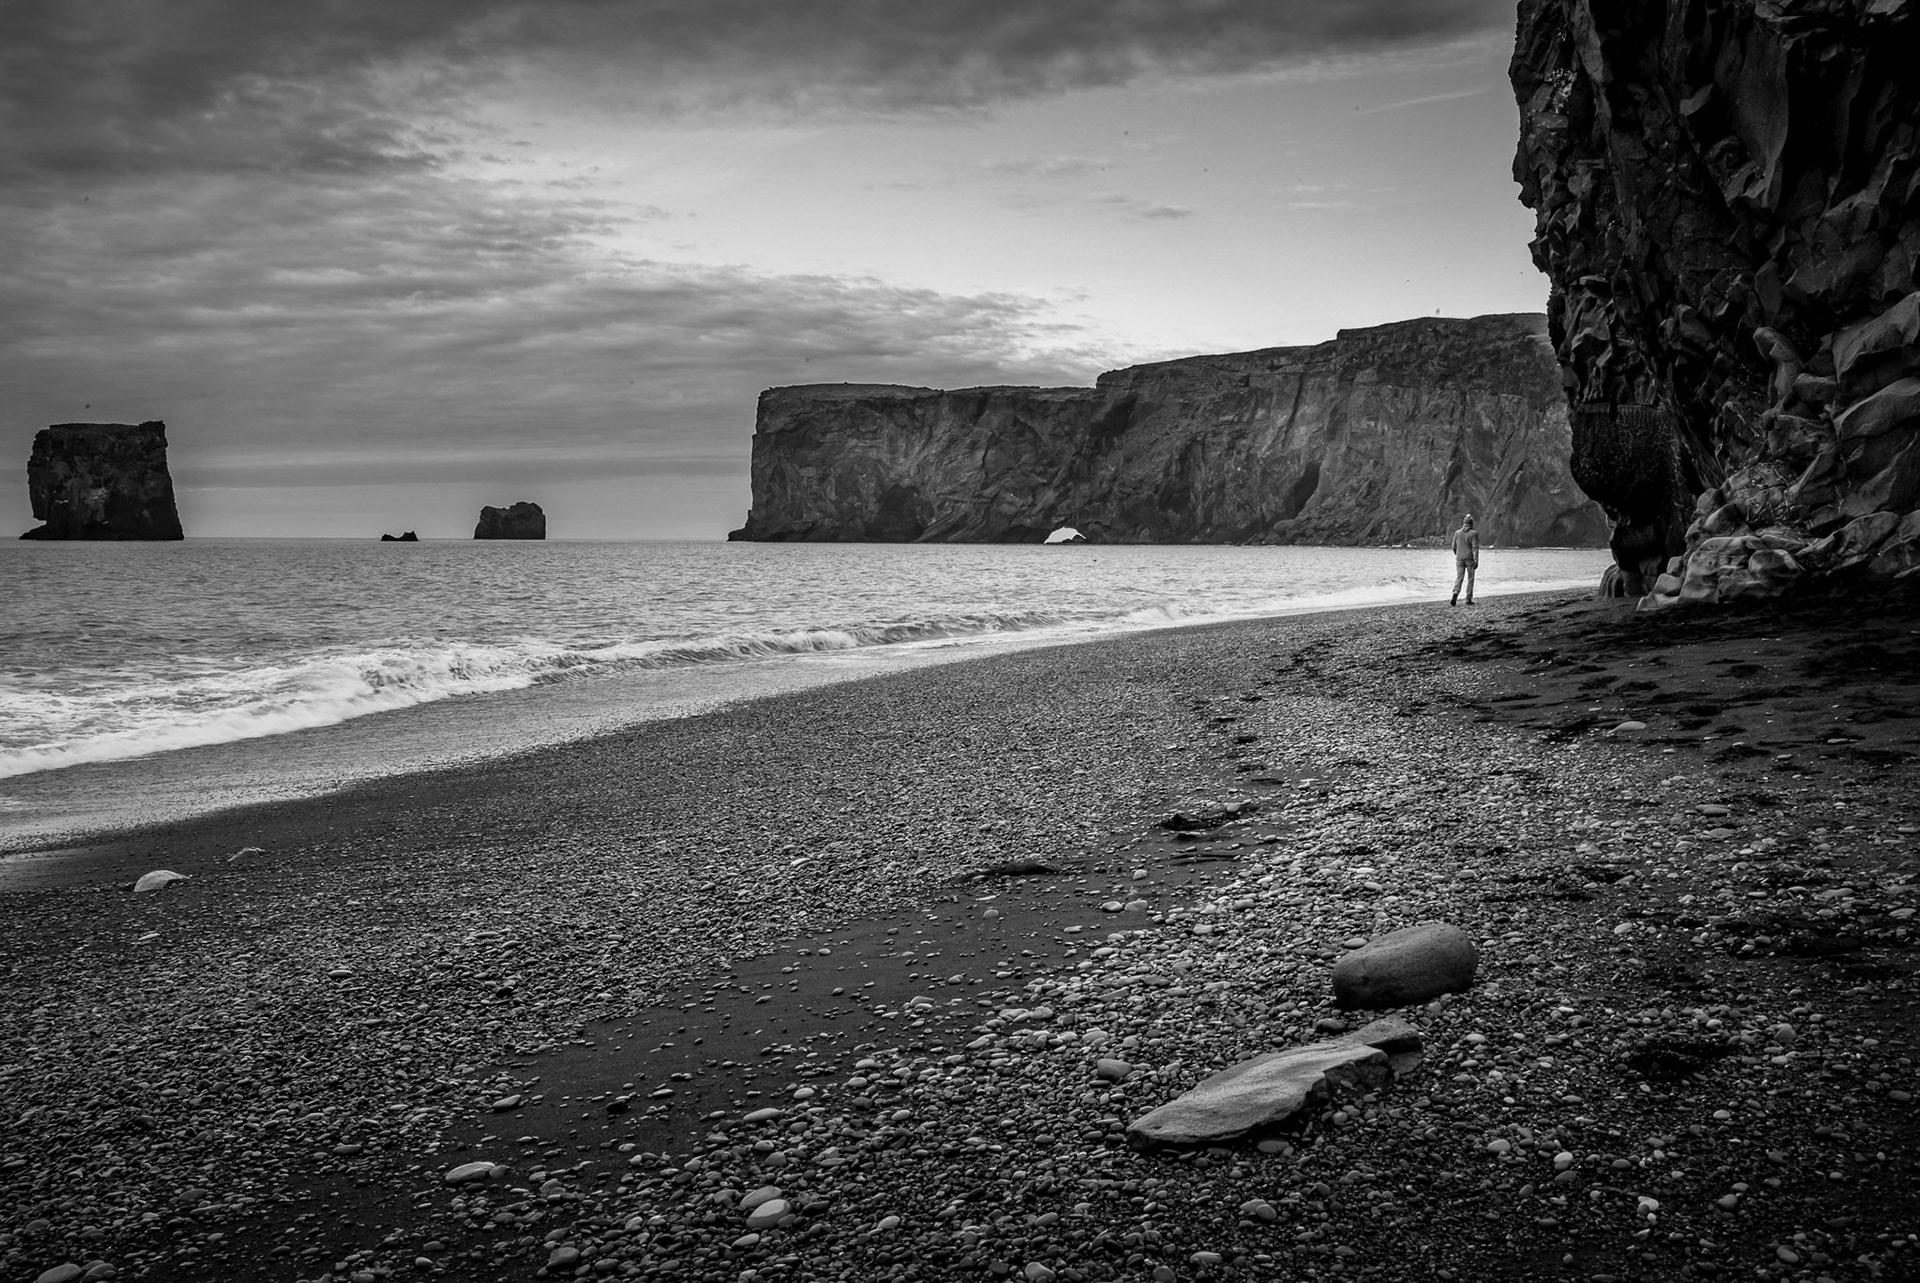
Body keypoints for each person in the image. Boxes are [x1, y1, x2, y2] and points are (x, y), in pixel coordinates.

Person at [1450, 514, 1479, 606]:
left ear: (1464, 523)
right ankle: (1468, 598)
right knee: (1470, 578)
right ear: (1471, 524)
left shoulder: (1457, 533)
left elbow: (1453, 546)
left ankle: (1455, 592)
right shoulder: (1473, 533)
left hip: (1459, 558)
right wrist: (1476, 560)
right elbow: (1475, 548)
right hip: (1470, 559)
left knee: (1459, 577)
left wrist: (1457, 554)